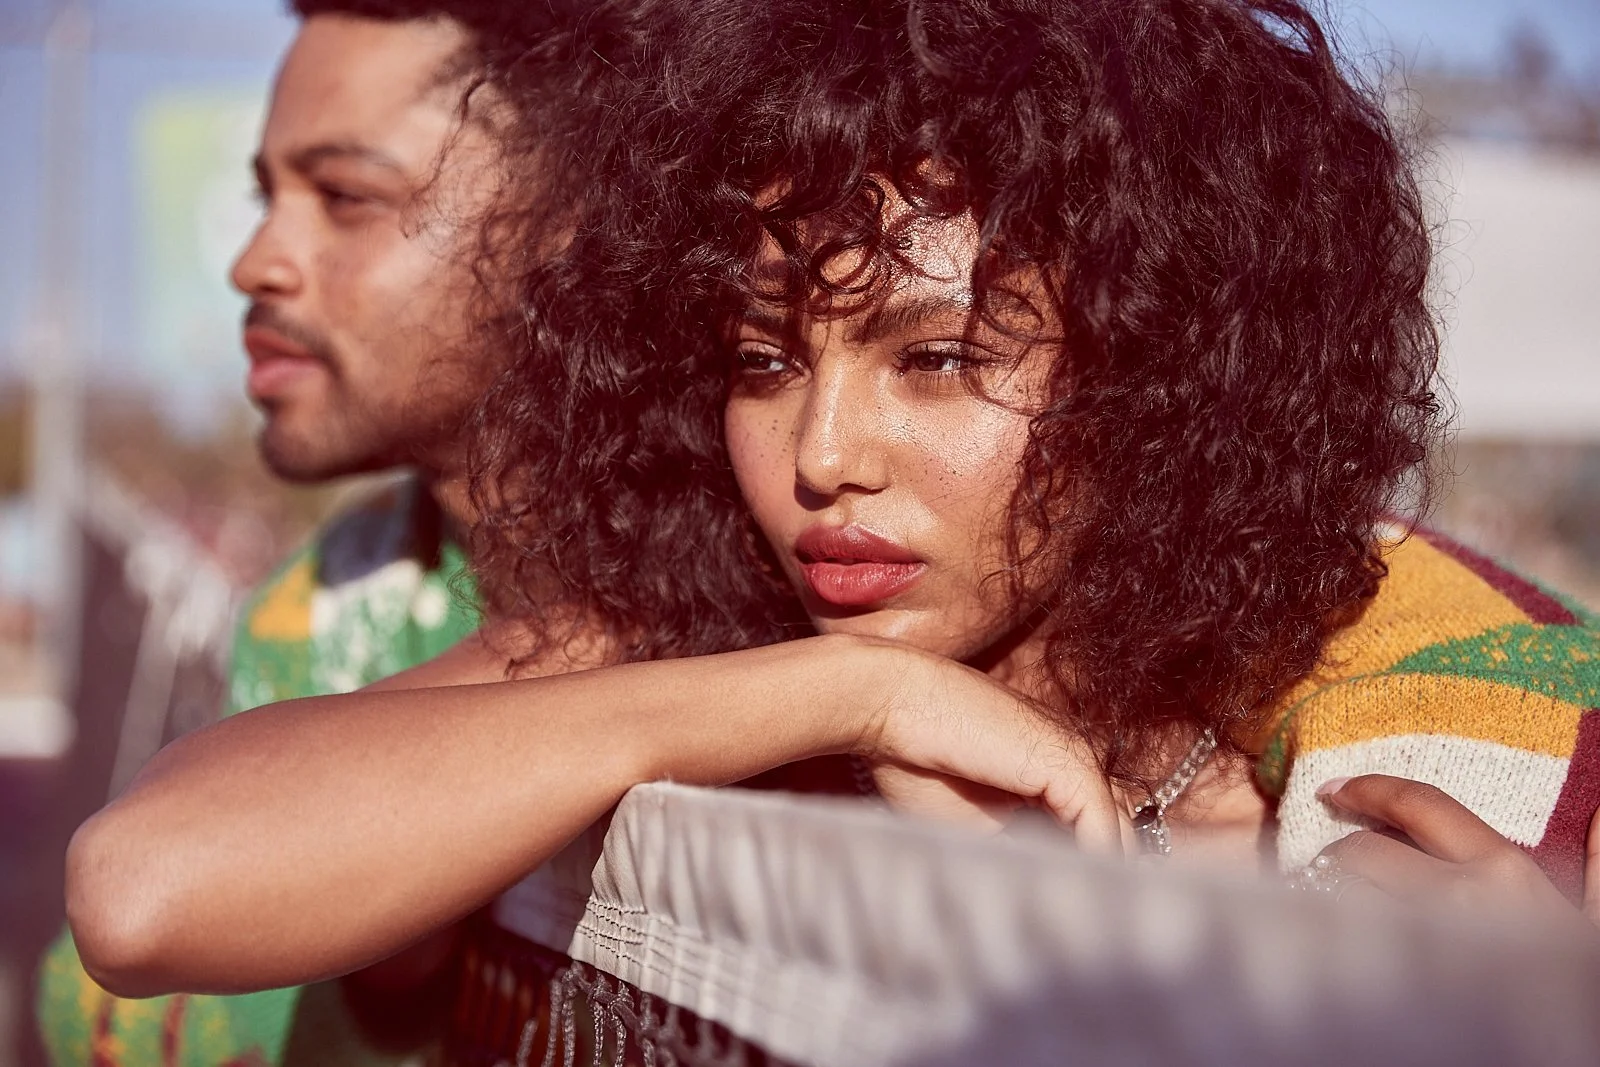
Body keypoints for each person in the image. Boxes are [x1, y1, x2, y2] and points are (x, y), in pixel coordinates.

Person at [60, 0, 1600, 1041]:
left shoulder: (1440, 716)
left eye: (936, 359)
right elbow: (145, 885)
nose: (822, 454)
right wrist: (840, 688)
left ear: (1173, 368)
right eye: (761, 356)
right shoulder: (716, 622)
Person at [32, 0, 568, 1061]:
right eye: (265, 197)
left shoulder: (808, 573)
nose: (255, 262)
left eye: (345, 196)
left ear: (584, 225)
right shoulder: (327, 592)